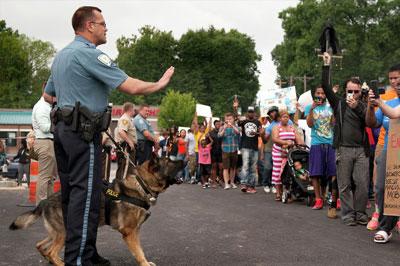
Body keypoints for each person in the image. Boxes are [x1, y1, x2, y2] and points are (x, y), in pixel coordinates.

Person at [44, 6, 174, 266]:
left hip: (63, 130)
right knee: (87, 195)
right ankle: (80, 258)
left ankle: (85, 253)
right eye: (102, 23)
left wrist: (74, 97)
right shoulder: (89, 54)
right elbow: (131, 86)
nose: (106, 28)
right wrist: (159, 84)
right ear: (89, 26)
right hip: (82, 132)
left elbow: (48, 95)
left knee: (74, 195)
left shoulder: (62, 56)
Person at [321, 52, 370, 226]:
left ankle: (361, 213)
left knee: (363, 184)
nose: (353, 94)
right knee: (344, 185)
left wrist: (357, 107)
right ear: (345, 91)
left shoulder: (364, 105)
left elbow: (369, 121)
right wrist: (326, 65)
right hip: (343, 148)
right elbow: (325, 87)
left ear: (360, 92)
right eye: (350, 91)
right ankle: (348, 215)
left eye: (356, 91)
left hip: (362, 151)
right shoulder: (339, 103)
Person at [366, 68, 400, 243]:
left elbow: (395, 114)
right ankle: (386, 226)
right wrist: (372, 106)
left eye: (398, 78)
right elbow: (372, 122)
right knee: (381, 188)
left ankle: (387, 226)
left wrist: (378, 101)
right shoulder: (390, 101)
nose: (395, 82)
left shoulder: (389, 104)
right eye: (392, 79)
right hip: (391, 150)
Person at [304, 85, 338, 218]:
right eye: (318, 93)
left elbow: (334, 124)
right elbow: (310, 124)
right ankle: (318, 199)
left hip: (330, 143)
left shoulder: (330, 106)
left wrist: (334, 110)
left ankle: (335, 199)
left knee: (333, 172)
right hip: (316, 143)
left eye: (323, 93)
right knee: (315, 173)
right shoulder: (310, 107)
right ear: (314, 95)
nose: (320, 95)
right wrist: (312, 108)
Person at [271, 110, 303, 201]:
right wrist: (286, 142)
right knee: (278, 171)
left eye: (287, 117)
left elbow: (298, 139)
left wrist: (301, 145)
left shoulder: (292, 127)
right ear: (280, 118)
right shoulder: (276, 127)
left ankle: (289, 191)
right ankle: (278, 192)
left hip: (290, 152)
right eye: (284, 117)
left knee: (290, 171)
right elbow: (275, 138)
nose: (286, 118)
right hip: (278, 152)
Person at [32, 93, 57, 201]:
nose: (56, 98)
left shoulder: (47, 106)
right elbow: (44, 127)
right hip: (45, 142)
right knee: (45, 177)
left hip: (48, 142)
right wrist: (60, 124)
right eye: (54, 95)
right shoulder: (42, 107)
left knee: (50, 178)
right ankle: (41, 207)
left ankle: (49, 206)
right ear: (46, 92)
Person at [236, 106, 263, 194]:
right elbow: (238, 119)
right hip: (245, 146)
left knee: (253, 167)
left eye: (252, 112)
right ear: (247, 113)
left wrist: (256, 133)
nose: (251, 113)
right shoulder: (244, 122)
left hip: (255, 147)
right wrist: (236, 108)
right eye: (249, 112)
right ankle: (244, 184)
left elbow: (261, 133)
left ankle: (251, 186)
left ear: (254, 113)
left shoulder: (258, 122)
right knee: (245, 166)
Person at [115, 102, 136, 179]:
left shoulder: (128, 119)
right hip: (126, 147)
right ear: (130, 109)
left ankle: (121, 188)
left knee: (127, 169)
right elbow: (121, 131)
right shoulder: (125, 119)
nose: (134, 111)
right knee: (125, 170)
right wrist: (130, 142)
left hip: (127, 146)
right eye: (134, 109)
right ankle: (121, 188)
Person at [219, 113, 240, 189]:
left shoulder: (236, 127)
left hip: (234, 149)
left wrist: (232, 126)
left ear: (233, 119)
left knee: (233, 167)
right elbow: (219, 136)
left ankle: (232, 182)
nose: (228, 120)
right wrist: (224, 128)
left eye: (230, 119)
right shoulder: (222, 127)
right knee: (225, 167)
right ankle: (226, 184)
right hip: (225, 149)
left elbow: (238, 132)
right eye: (227, 119)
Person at [191, 113, 212, 183]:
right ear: (199, 128)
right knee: (198, 165)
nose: (203, 128)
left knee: (205, 166)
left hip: (206, 152)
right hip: (198, 151)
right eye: (201, 128)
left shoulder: (205, 133)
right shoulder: (197, 133)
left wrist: (209, 117)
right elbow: (195, 125)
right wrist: (196, 116)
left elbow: (208, 125)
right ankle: (197, 178)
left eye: (203, 128)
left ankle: (203, 179)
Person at [210, 120, 223, 187]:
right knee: (214, 167)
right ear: (214, 125)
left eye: (219, 124)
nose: (218, 125)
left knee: (221, 167)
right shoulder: (211, 133)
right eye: (217, 124)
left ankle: (220, 180)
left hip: (221, 151)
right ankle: (214, 182)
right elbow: (208, 143)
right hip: (213, 152)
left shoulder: (222, 132)